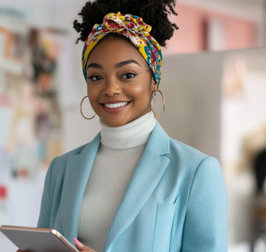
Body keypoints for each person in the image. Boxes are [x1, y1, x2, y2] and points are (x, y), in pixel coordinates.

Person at [18, 0, 227, 251]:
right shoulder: (60, 170)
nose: (110, 89)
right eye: (96, 77)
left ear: (153, 80)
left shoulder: (196, 172)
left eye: (127, 75)